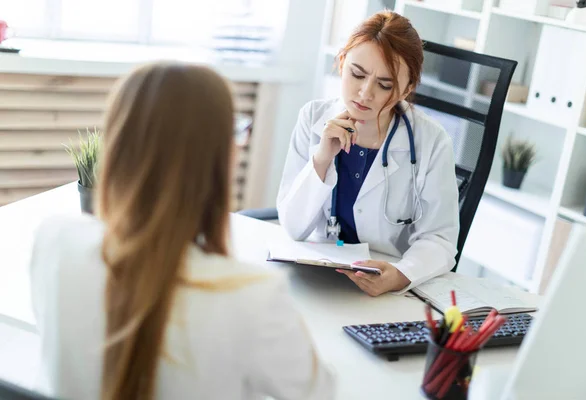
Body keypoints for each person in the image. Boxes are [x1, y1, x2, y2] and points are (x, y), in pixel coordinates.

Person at [29, 63, 335, 400]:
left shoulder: (53, 241)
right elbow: (319, 392)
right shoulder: (252, 296)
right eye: (236, 131)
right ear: (218, 157)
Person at [277, 11, 459, 297]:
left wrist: (400, 275)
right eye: (357, 74)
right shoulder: (313, 118)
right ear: (341, 62)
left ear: (407, 88)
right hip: (317, 282)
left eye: (385, 84)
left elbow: (440, 239)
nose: (364, 93)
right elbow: (293, 227)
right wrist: (323, 158)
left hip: (386, 290)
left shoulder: (432, 142)